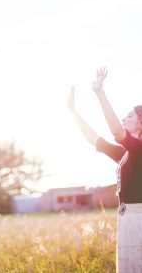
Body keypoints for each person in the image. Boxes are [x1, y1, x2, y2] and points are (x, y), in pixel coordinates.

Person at [68, 67, 142, 273]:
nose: (124, 118)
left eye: (129, 115)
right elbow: (93, 138)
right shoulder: (126, 153)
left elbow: (116, 131)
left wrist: (100, 93)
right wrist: (73, 113)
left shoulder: (140, 150)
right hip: (127, 219)